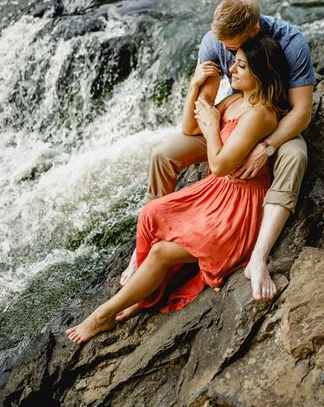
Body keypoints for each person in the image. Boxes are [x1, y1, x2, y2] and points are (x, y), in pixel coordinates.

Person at [66, 34, 289, 344]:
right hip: (217, 192)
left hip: (237, 209)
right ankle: (143, 292)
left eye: (240, 67)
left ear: (261, 75)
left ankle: (104, 315)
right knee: (151, 213)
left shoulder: (261, 114)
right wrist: (194, 87)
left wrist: (213, 127)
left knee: (160, 251)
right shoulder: (236, 99)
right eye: (234, 65)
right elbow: (189, 129)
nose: (232, 72)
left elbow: (221, 163)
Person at [120, 0, 315, 301]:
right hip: (235, 120)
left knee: (295, 156)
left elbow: (301, 111)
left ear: (251, 32)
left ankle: (258, 258)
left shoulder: (290, 43)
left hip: (277, 124)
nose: (223, 49)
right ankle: (143, 245)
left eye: (229, 44)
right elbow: (195, 122)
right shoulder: (215, 41)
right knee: (163, 154)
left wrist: (267, 146)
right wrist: (193, 86)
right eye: (220, 41)